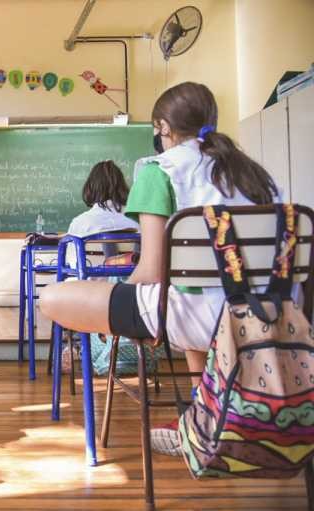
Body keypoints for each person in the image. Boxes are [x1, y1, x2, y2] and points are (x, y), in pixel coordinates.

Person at [38, 82, 279, 456]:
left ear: (163, 128)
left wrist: (117, 317)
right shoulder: (254, 174)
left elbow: (150, 271)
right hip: (267, 314)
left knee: (54, 298)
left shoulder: (158, 170)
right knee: (189, 293)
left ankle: (206, 415)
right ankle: (208, 412)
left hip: (197, 319)